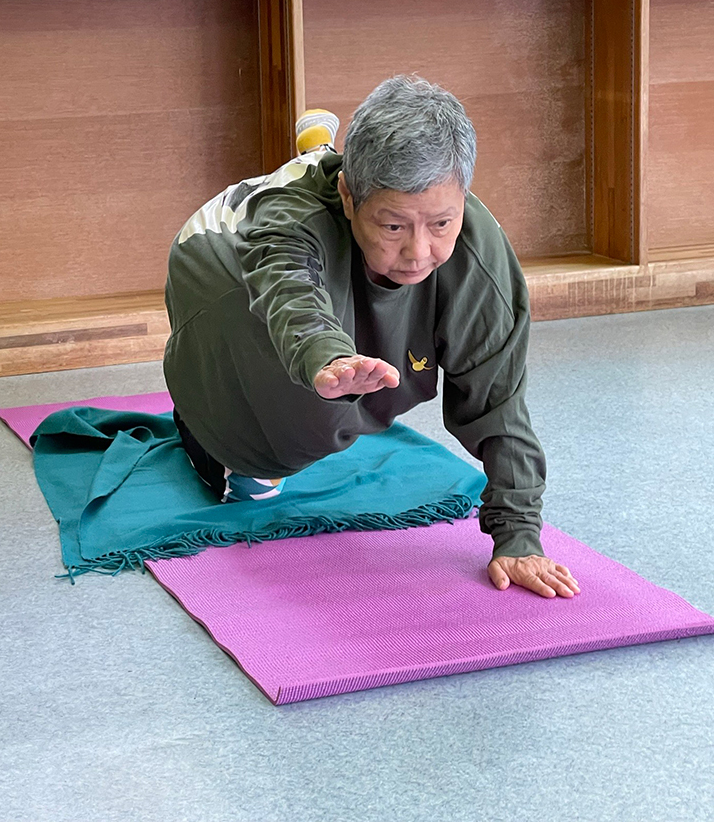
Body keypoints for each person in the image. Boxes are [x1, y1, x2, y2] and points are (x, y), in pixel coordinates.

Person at [164, 75, 580, 600]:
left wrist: (518, 535)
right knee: (305, 419)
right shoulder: (293, 225)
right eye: (393, 228)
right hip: (225, 257)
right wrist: (325, 358)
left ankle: (321, 152)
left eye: (441, 223)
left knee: (367, 362)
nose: (418, 252)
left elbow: (499, 401)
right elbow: (292, 293)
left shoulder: (476, 249)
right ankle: (209, 418)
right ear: (348, 197)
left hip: (330, 217)